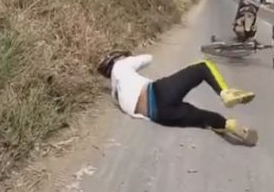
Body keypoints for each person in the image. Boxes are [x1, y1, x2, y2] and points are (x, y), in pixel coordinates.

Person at [97, 51, 258, 146]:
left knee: (204, 118)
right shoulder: (122, 65)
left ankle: (232, 126)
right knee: (203, 67)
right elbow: (148, 58)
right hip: (159, 93)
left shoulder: (115, 95)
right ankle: (226, 93)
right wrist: (132, 58)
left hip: (159, 116)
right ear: (115, 61)